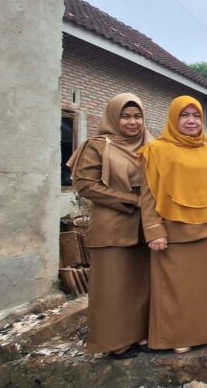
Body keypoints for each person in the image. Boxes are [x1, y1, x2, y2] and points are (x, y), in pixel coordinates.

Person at [138, 95, 207, 353]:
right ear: (173, 118)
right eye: (184, 115)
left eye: (196, 116)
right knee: (178, 286)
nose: (191, 121)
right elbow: (148, 195)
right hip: (176, 230)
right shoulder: (156, 151)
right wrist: (154, 231)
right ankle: (180, 335)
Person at [68, 93, 153, 358]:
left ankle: (141, 334)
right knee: (113, 285)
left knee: (143, 282)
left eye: (137, 116)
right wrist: (131, 199)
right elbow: (85, 184)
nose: (132, 122)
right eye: (125, 117)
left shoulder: (152, 144)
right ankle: (114, 341)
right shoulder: (97, 146)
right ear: (113, 118)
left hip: (146, 225)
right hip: (112, 224)